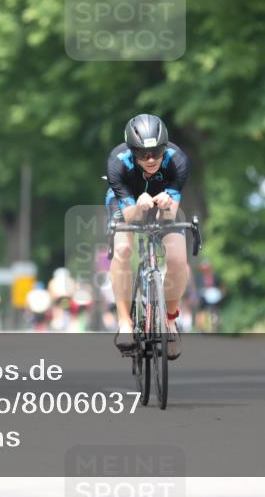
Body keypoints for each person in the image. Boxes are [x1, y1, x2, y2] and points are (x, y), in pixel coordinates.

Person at [106, 114, 190, 359]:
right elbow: (130, 216)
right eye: (143, 154)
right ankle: (124, 323)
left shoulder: (178, 161)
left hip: (163, 204)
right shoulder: (117, 162)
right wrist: (138, 206)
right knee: (122, 250)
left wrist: (165, 204)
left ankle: (170, 320)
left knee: (176, 260)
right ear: (132, 151)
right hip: (127, 203)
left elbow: (170, 215)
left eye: (156, 151)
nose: (151, 159)